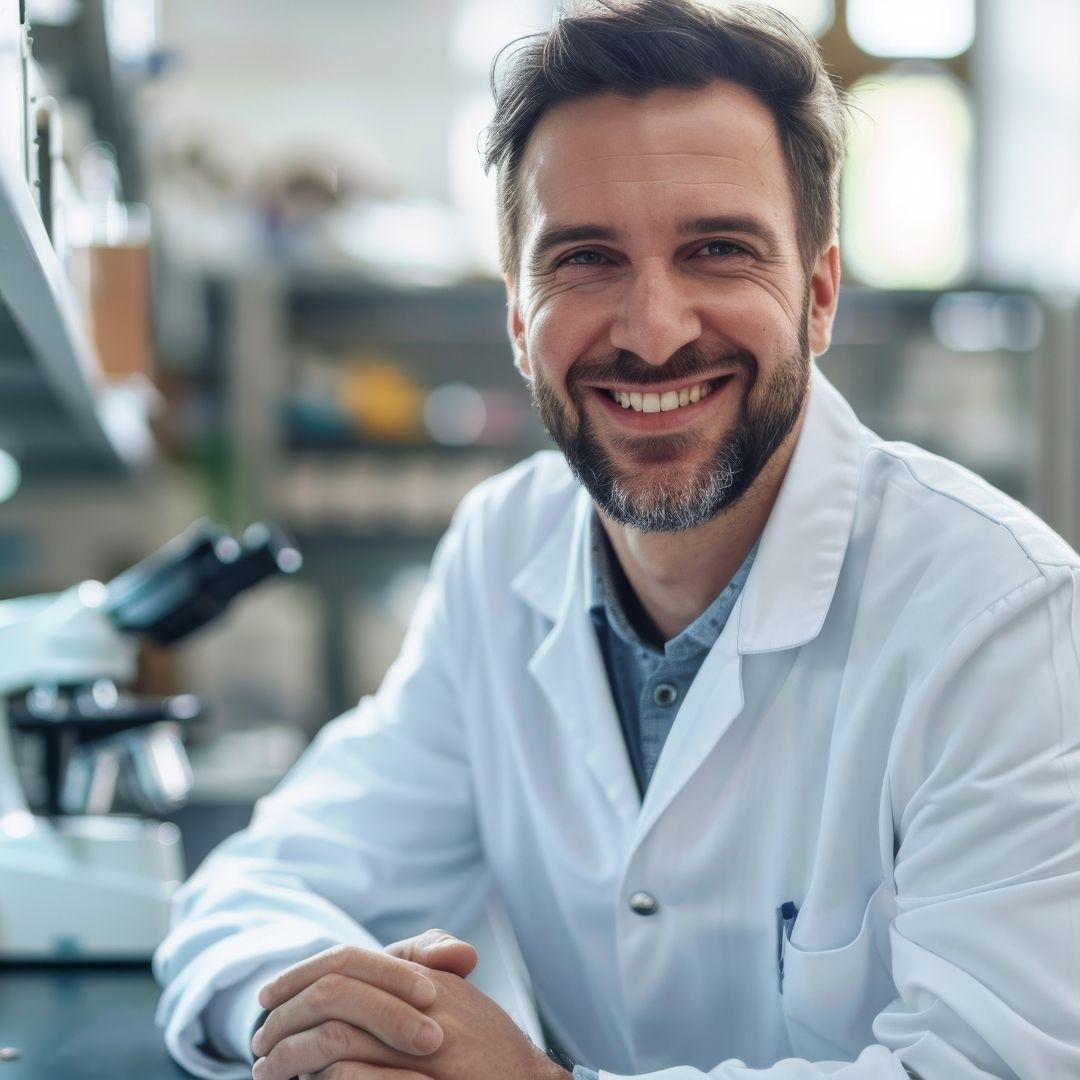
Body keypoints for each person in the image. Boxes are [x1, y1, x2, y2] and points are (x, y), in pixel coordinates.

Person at [154, 2, 1080, 1078]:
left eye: (719, 250)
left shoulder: (1003, 619)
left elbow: (997, 1066)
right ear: (516, 315)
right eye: (586, 259)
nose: (652, 330)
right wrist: (347, 1026)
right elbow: (254, 887)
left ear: (818, 297)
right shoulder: (504, 552)